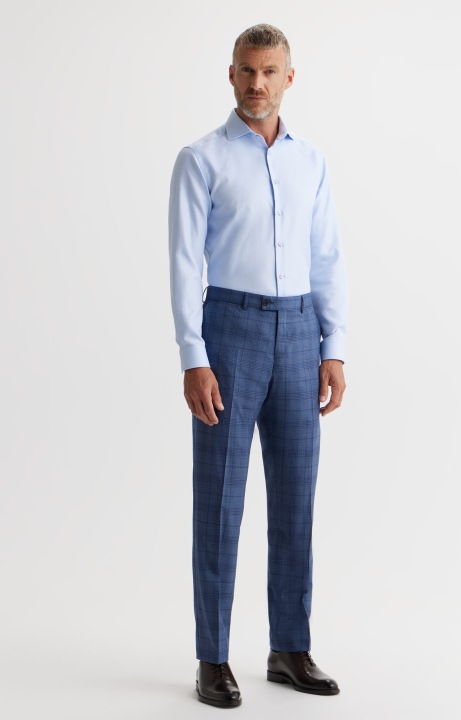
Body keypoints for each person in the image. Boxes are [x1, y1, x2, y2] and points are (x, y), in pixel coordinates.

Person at [168, 23, 348, 708]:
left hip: (301, 332)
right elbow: (184, 263)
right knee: (219, 500)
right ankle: (212, 657)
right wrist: (194, 355)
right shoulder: (201, 159)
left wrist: (333, 346)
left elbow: (327, 256)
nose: (257, 83)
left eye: (269, 71)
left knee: (296, 499)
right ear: (231, 74)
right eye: (246, 70)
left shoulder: (312, 162)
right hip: (230, 329)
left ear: (288, 78)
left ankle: (289, 648)